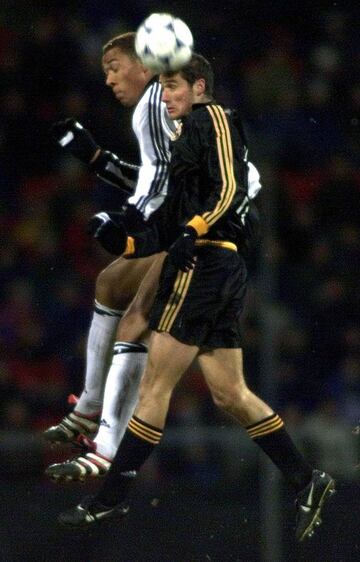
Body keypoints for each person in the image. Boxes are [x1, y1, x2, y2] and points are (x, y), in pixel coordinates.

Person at [57, 53, 335, 542]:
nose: (165, 97)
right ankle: (306, 479)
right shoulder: (183, 144)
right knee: (230, 394)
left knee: (154, 387)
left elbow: (228, 188)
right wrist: (122, 241)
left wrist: (194, 229)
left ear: (199, 86)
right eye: (162, 89)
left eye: (172, 87)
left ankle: (112, 497)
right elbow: (165, 221)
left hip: (206, 262)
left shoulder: (214, 117)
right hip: (211, 264)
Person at [43, 31, 173, 476]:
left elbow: (165, 187)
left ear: (144, 66)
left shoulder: (157, 106)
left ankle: (108, 447)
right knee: (111, 282)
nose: (109, 80)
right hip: (187, 225)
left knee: (135, 321)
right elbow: (161, 181)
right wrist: (98, 158)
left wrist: (130, 226)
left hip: (205, 232)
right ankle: (93, 406)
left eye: (115, 68)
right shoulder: (154, 105)